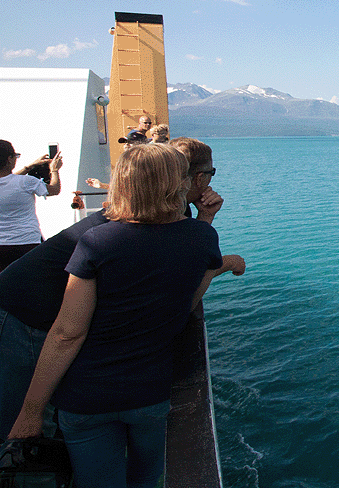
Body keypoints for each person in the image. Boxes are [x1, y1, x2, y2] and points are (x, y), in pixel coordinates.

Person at [6, 144, 244, 488]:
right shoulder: (200, 236)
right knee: (147, 478)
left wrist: (30, 413)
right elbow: (185, 301)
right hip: (150, 394)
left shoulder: (97, 240)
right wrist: (210, 231)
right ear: (178, 184)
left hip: (87, 395)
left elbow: (67, 334)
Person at [0, 140, 62, 272]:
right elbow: (54, 189)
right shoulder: (26, 182)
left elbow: (7, 181)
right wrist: (54, 170)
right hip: (28, 243)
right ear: (9, 159)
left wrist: (29, 167)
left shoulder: (21, 181)